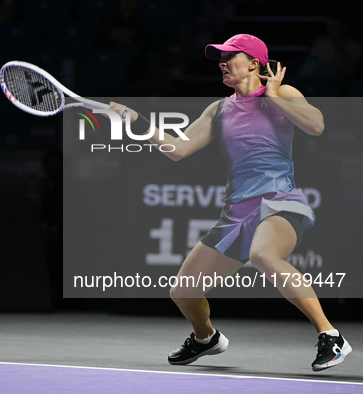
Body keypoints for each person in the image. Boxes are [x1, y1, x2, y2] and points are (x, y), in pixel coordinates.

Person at [107, 34, 351, 371]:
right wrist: (136, 123)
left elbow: (316, 126)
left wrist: (271, 95)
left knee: (263, 255)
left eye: (229, 56)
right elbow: (178, 150)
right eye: (219, 58)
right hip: (236, 212)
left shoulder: (285, 93)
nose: (222, 63)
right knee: (183, 292)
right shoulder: (218, 109)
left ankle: (331, 336)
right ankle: (206, 339)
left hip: (280, 200)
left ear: (253, 63)